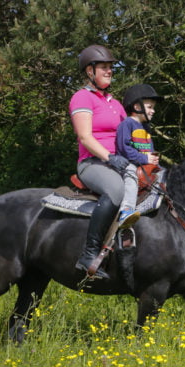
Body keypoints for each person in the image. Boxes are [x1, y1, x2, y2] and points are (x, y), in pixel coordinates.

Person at [69, 44, 129, 279]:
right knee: (116, 190)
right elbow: (85, 136)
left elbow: (129, 134)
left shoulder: (115, 103)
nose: (109, 71)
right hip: (93, 163)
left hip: (119, 161)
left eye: (110, 67)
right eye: (103, 67)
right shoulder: (82, 97)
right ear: (89, 71)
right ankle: (89, 255)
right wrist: (110, 157)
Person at [115, 84, 162, 227]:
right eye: (149, 107)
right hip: (128, 163)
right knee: (130, 175)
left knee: (163, 174)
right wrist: (144, 158)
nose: (153, 111)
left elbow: (149, 148)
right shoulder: (127, 124)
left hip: (143, 163)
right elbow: (124, 149)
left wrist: (153, 161)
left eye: (153, 107)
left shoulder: (146, 127)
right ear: (137, 107)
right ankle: (126, 210)